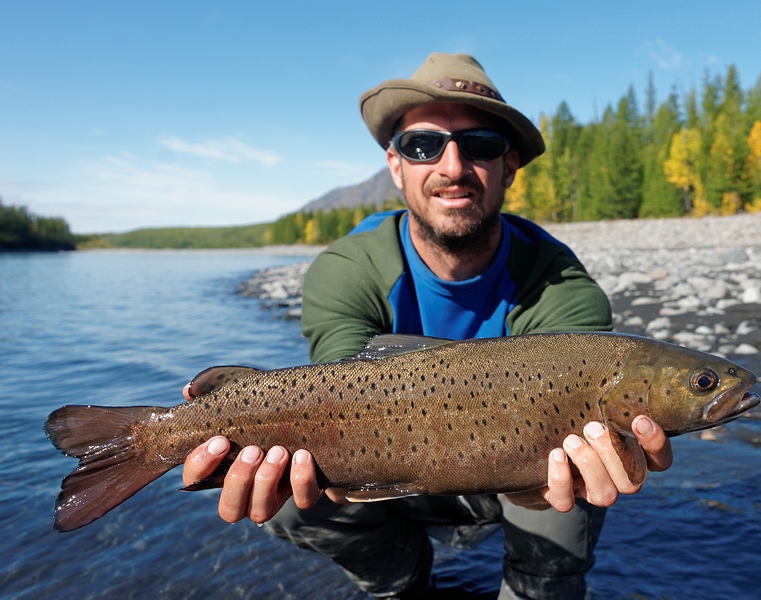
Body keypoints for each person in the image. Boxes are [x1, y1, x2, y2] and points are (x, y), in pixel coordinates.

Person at [183, 53, 673, 599]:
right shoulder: (347, 270)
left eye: (480, 144)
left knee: (581, 481)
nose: (453, 167)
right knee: (291, 499)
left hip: (520, 467)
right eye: (423, 145)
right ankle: (401, 580)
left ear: (510, 165)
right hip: (381, 458)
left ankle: (536, 579)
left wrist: (544, 488)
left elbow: (573, 456)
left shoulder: (559, 284)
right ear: (395, 166)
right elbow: (334, 402)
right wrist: (323, 474)